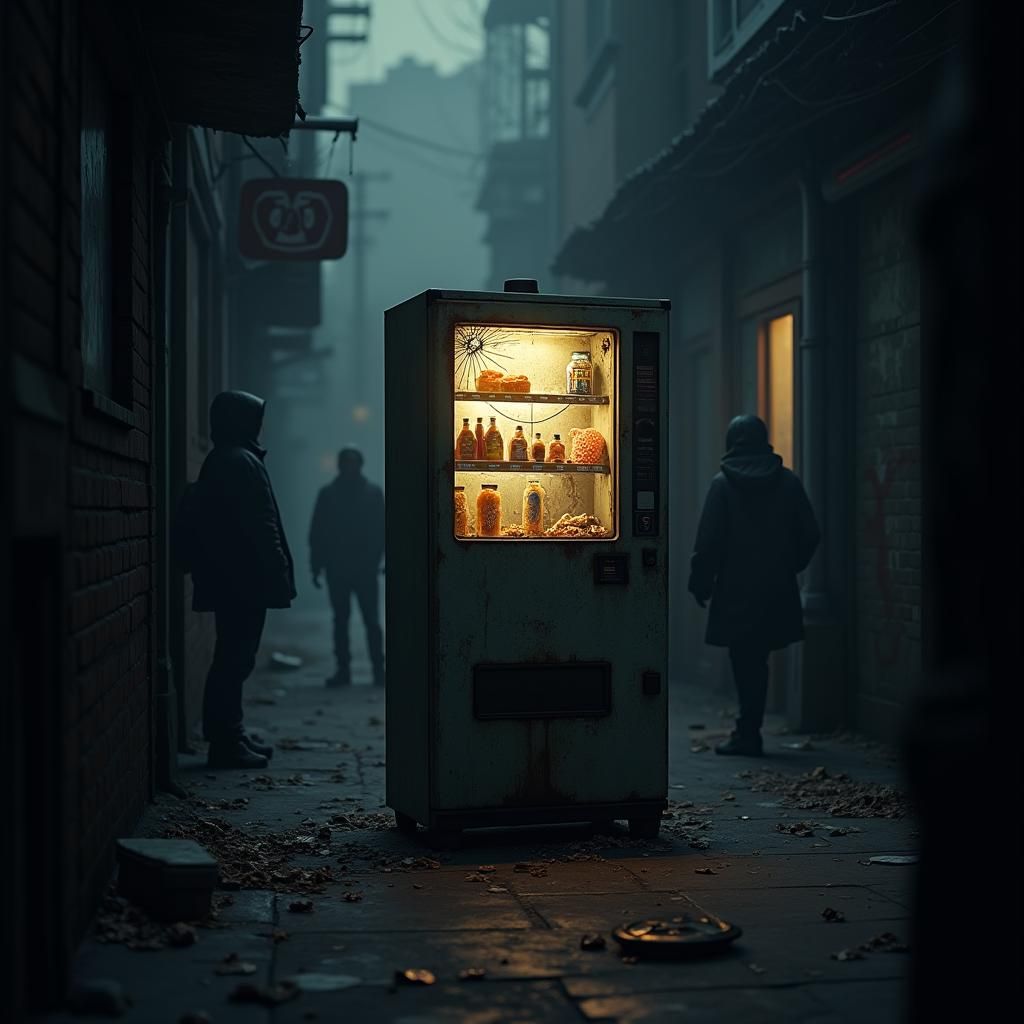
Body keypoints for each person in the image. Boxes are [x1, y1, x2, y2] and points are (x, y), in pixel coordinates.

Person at [688, 415, 820, 756]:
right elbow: (810, 534)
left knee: (744, 660)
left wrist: (701, 584)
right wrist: (789, 566)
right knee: (758, 659)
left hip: (735, 590)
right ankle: (750, 729)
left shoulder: (722, 485)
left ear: (732, 442)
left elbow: (708, 543)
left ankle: (748, 733)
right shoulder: (788, 483)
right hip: (776, 588)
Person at [189, 390, 296, 769]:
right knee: (235, 659)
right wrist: (278, 568)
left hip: (233, 578)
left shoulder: (227, 459)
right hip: (243, 580)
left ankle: (230, 732)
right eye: (254, 418)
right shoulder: (240, 462)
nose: (259, 425)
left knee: (232, 657)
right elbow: (261, 524)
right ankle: (226, 741)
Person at [309, 446, 385, 687]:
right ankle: (372, 671)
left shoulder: (330, 494)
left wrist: (317, 565)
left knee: (352, 620)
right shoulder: (371, 493)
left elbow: (318, 533)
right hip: (357, 568)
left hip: (344, 567)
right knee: (359, 621)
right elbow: (318, 533)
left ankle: (352, 671)